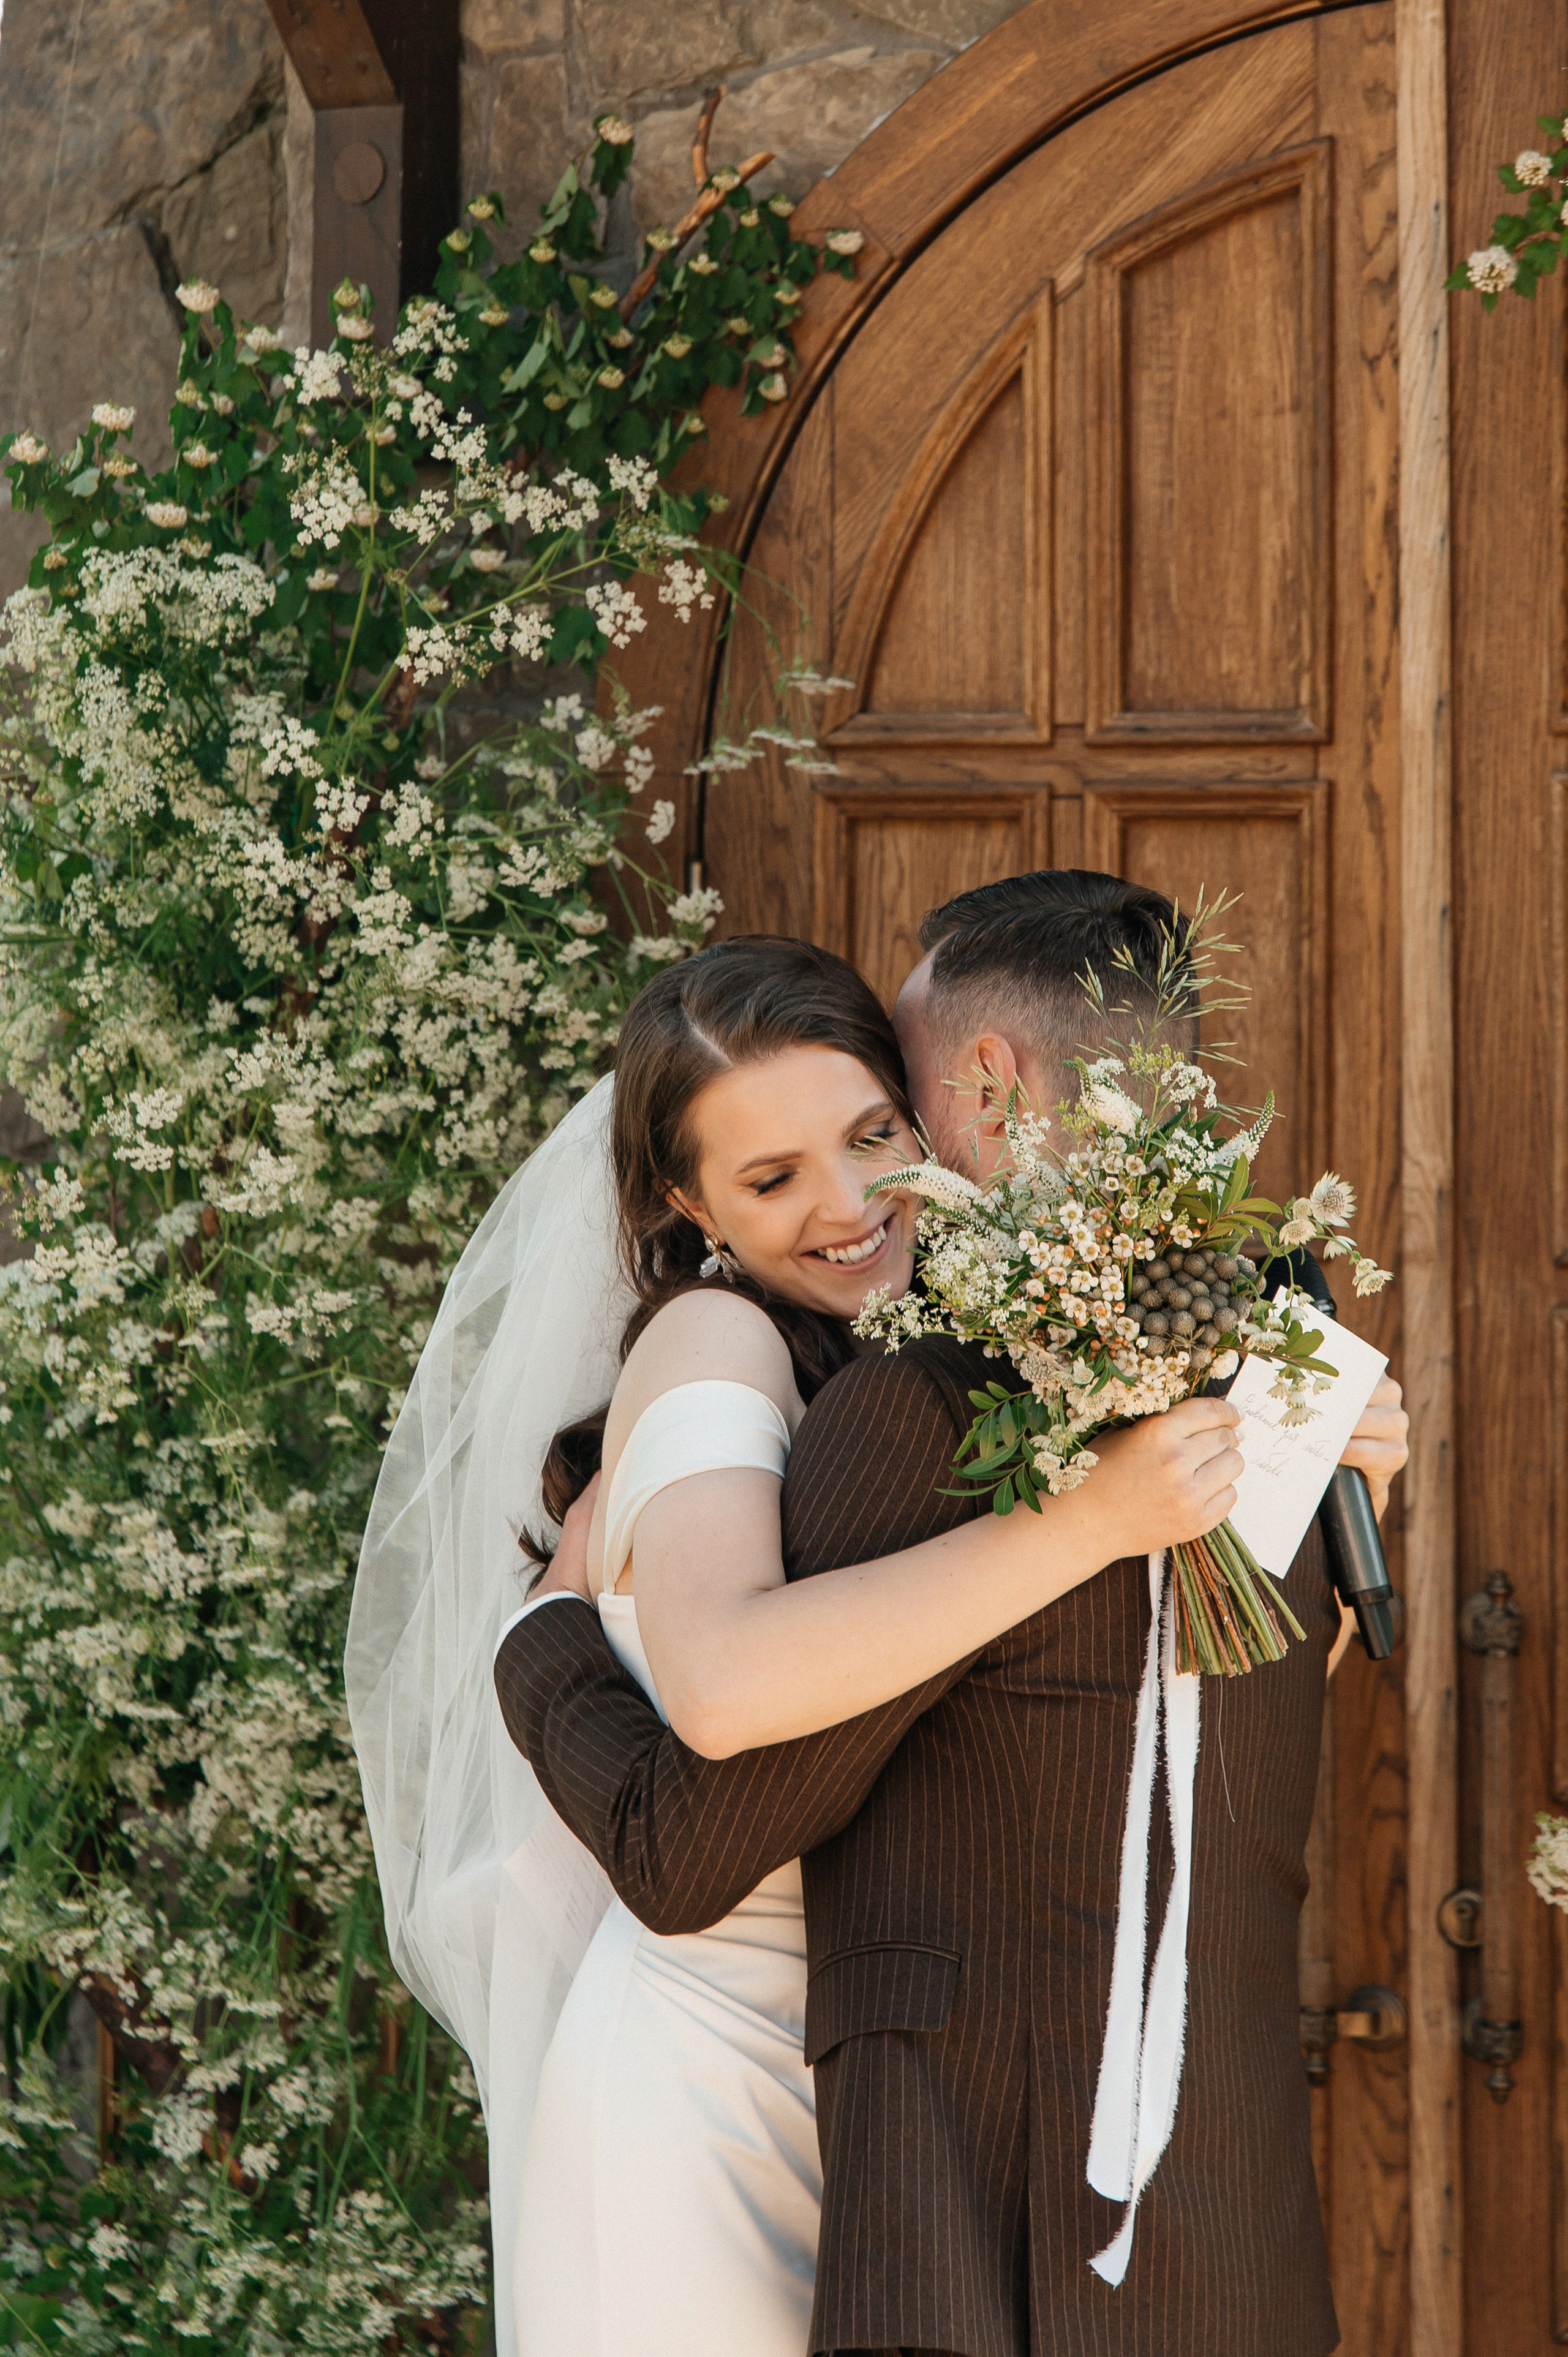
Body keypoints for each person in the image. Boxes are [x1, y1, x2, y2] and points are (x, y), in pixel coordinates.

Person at [496, 869, 1408, 2357]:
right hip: (741, 2108)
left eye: (878, 1131)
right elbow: (696, 1796)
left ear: (970, 1087)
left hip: (955, 2169)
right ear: (688, 1205)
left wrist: (1331, 1484)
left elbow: (1198, 1749)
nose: (854, 1204)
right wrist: (532, 1633)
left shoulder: (1205, 1376)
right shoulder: (788, 1367)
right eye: (771, 1178)